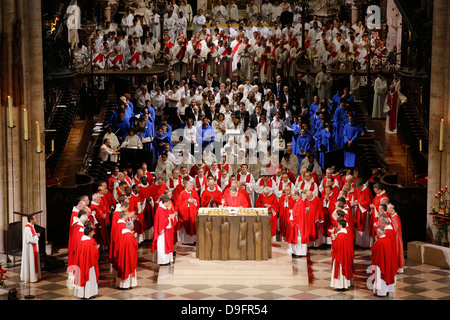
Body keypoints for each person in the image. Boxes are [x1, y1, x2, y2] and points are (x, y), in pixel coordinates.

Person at [73, 226, 100, 299]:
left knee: (81, 277)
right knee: (89, 277)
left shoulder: (81, 241)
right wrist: (96, 248)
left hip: (81, 263)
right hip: (88, 264)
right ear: (89, 233)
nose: (92, 233)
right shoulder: (88, 242)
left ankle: (82, 294)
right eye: (92, 232)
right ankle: (89, 294)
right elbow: (93, 253)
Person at [371, 226, 397, 297]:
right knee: (388, 275)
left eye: (376, 232)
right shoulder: (388, 239)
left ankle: (381, 293)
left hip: (381, 264)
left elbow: (373, 249)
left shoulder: (380, 242)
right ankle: (387, 290)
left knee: (381, 277)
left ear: (379, 233)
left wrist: (376, 241)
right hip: (388, 262)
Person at [330, 218, 354, 290]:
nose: (337, 225)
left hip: (340, 257)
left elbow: (336, 247)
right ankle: (344, 285)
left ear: (340, 225)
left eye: (338, 224)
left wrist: (334, 239)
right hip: (345, 255)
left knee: (340, 270)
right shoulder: (346, 232)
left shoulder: (340, 236)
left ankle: (340, 286)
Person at [152, 194, 176, 265]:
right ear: (165, 202)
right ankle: (163, 261)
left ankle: (167, 260)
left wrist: (169, 216)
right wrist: (170, 217)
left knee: (166, 245)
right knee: (163, 246)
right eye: (169, 203)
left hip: (165, 231)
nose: (169, 204)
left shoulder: (163, 208)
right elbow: (162, 222)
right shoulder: (161, 209)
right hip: (162, 232)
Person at [115, 220, 138, 289]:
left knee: (122, 267)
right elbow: (135, 245)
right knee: (128, 267)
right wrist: (134, 237)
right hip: (128, 257)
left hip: (122, 255)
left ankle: (121, 284)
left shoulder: (122, 234)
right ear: (131, 227)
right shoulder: (130, 236)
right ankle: (127, 285)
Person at [20, 214, 41, 283]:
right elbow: (29, 240)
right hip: (30, 249)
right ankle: (32, 278)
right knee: (31, 263)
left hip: (32, 248)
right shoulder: (28, 228)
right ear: (31, 220)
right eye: (35, 218)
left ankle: (34, 277)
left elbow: (32, 236)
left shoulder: (31, 226)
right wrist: (37, 236)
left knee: (33, 263)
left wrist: (35, 235)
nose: (36, 219)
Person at [353, 180, 373, 248]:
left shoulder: (367, 190)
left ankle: (365, 244)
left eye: (358, 188)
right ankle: (359, 243)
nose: (357, 189)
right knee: (358, 224)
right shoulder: (358, 190)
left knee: (365, 226)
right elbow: (357, 197)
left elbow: (368, 202)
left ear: (362, 186)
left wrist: (359, 203)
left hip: (365, 211)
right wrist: (356, 201)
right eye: (356, 188)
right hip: (359, 209)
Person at [387, 204, 404, 273]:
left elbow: (395, 229)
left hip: (396, 238)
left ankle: (397, 268)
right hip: (395, 237)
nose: (387, 211)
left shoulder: (395, 218)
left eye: (388, 209)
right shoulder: (393, 217)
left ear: (392, 210)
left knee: (396, 251)